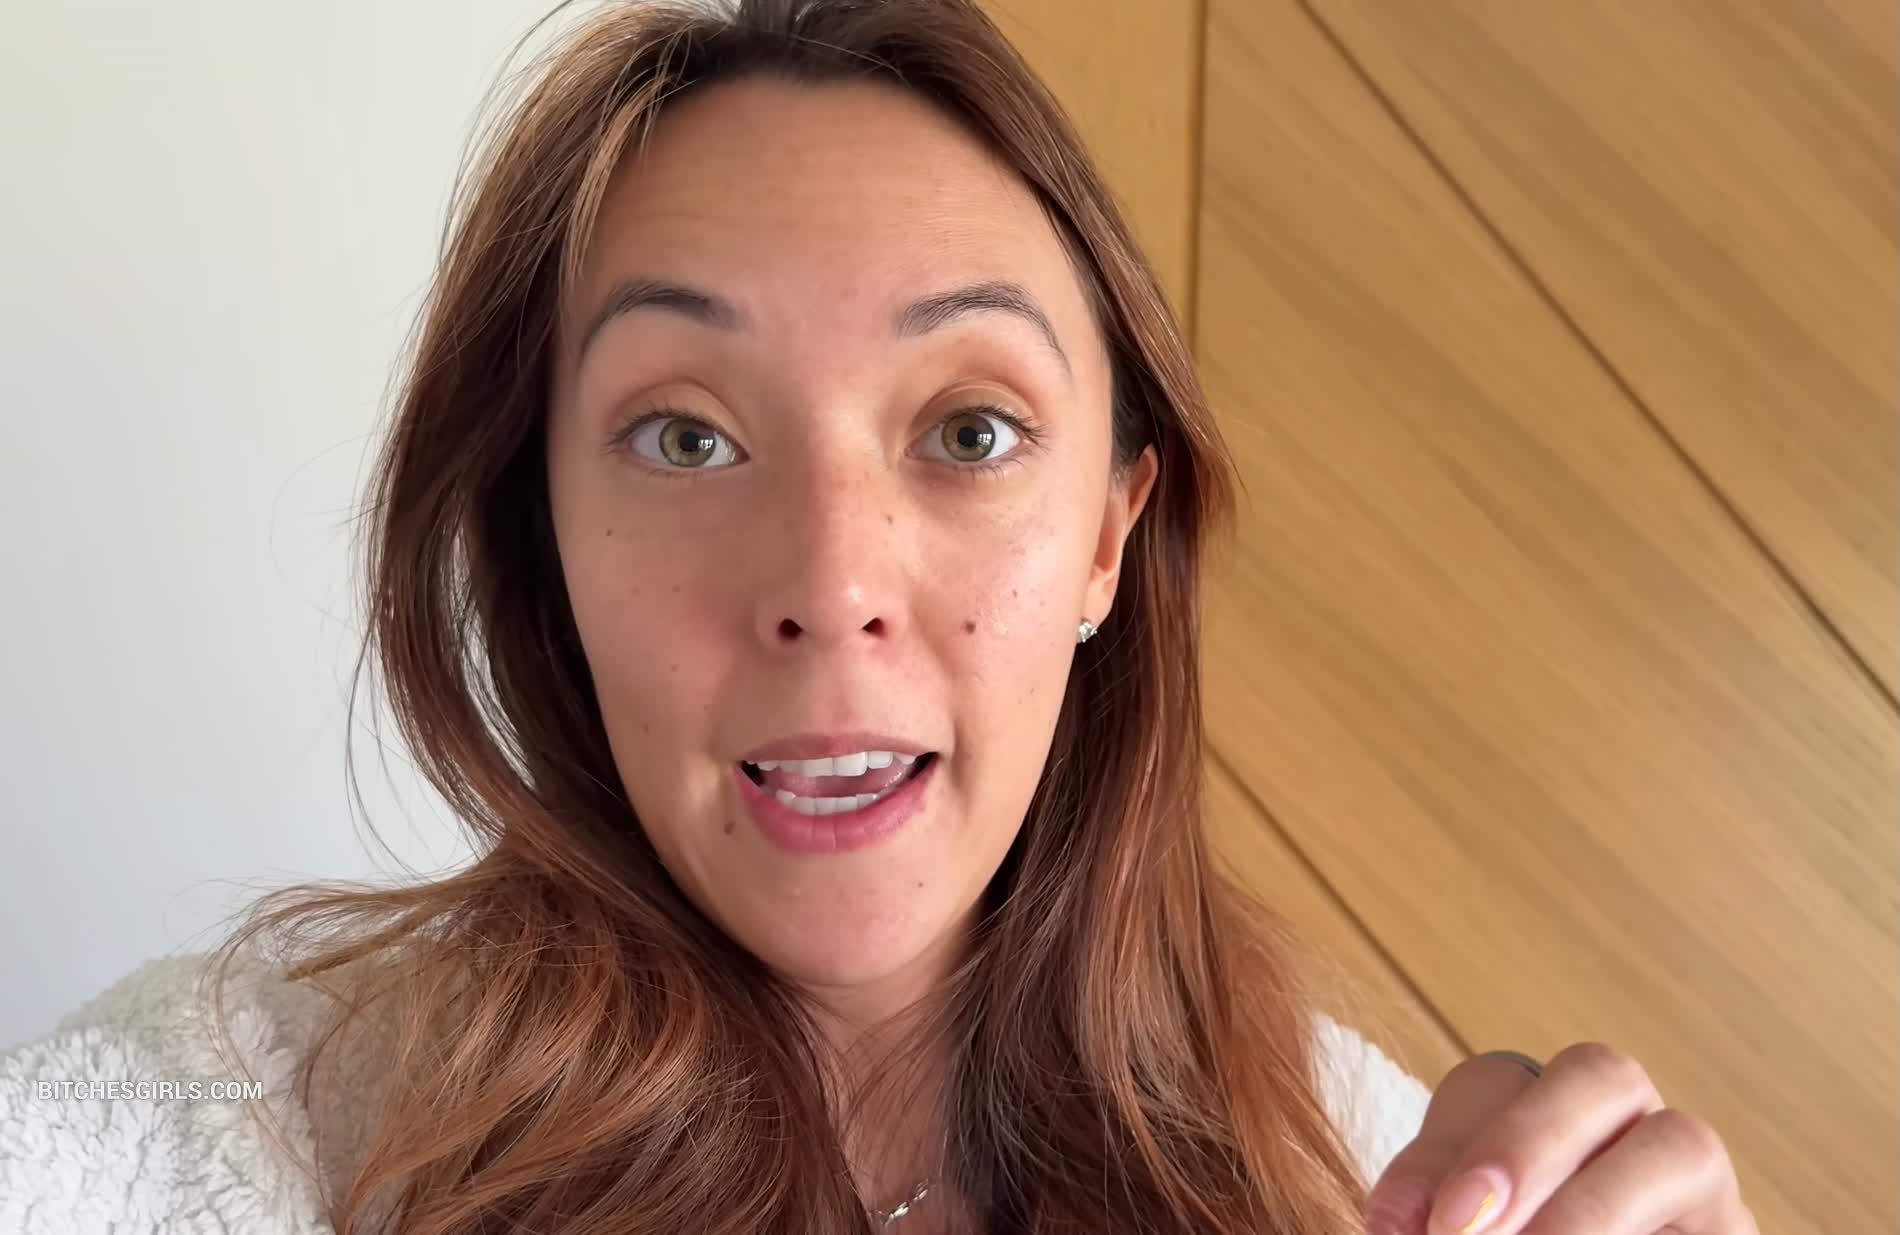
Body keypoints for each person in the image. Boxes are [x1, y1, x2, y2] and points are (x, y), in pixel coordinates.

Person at [0, 1, 1755, 1232]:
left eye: (970, 432)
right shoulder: (216, 1128)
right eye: (686, 436)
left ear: (1108, 540)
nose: (832, 589)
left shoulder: (1357, 1171)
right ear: (543, 543)